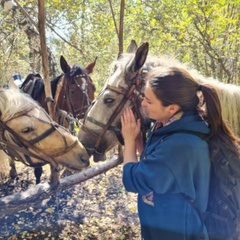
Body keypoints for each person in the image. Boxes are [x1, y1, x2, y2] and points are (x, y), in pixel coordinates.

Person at [120, 66, 237, 240]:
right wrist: (140, 145)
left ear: (172, 108)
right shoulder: (179, 126)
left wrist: (129, 141)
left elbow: (134, 180)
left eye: (149, 101)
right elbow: (166, 171)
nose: (143, 104)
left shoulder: (180, 145)